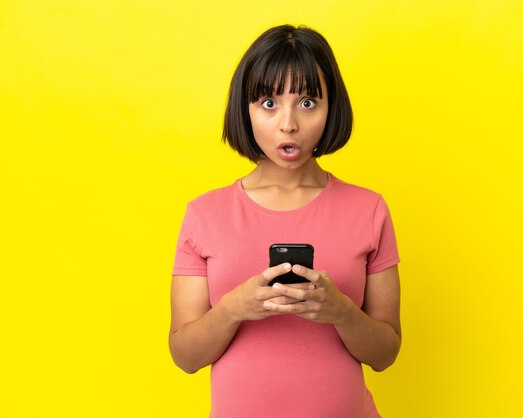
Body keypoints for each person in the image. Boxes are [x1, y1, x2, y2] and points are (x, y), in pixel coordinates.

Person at [169, 24, 401, 418]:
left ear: (333, 108)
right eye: (269, 103)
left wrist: (339, 311)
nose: (288, 124)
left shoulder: (369, 209)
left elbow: (385, 353)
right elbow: (185, 356)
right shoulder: (204, 214)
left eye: (308, 102)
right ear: (245, 109)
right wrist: (234, 308)